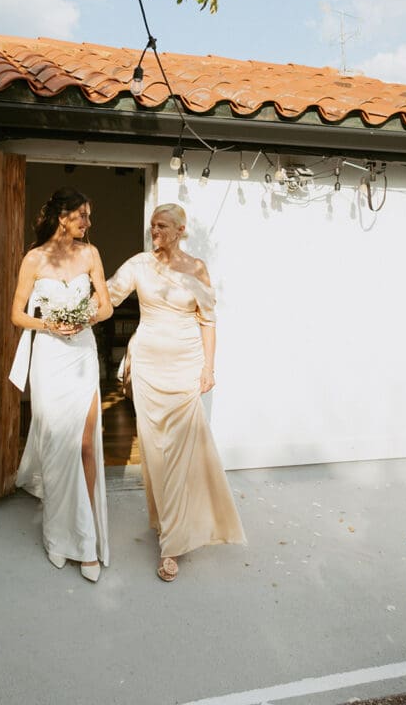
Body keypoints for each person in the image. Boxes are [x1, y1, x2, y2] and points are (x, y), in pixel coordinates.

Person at [106, 203, 245, 582]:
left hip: (186, 367)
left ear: (181, 229)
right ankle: (168, 524)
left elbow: (208, 320)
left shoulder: (197, 268)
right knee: (155, 452)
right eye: (152, 225)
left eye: (162, 226)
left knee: (183, 451)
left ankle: (171, 545)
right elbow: (107, 299)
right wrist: (66, 312)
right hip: (149, 367)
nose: (156, 231)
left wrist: (208, 368)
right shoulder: (138, 264)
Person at [9, 187, 113, 582]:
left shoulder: (91, 253)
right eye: (82, 216)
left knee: (86, 444)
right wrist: (49, 324)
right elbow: (17, 315)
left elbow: (106, 306)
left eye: (89, 216)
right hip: (50, 356)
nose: (88, 223)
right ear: (62, 216)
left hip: (82, 354)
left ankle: (86, 541)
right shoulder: (33, 258)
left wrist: (85, 318)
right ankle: (57, 536)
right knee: (56, 446)